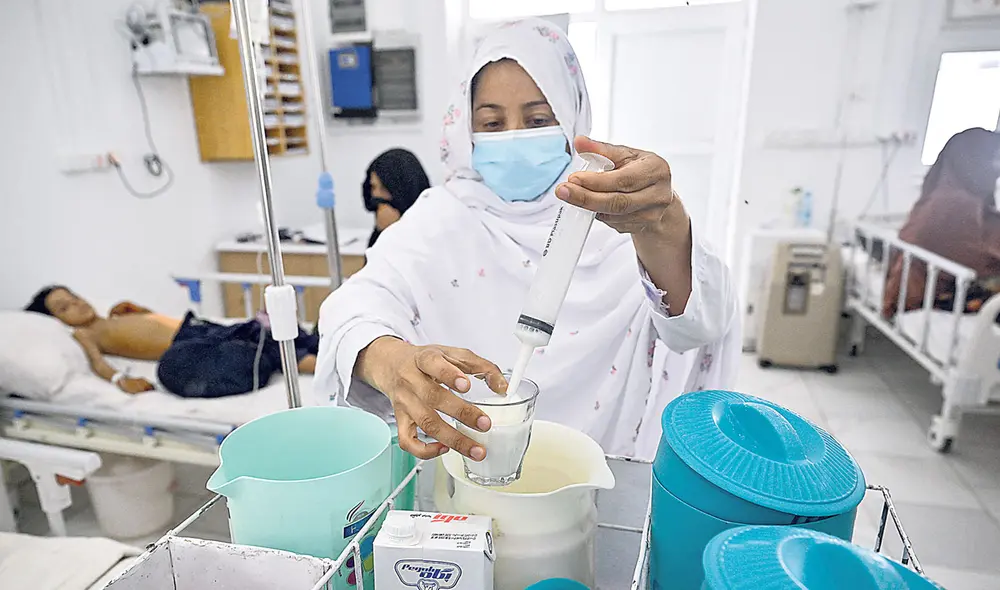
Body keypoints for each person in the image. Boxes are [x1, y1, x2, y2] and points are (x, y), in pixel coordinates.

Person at [316, 19, 739, 461]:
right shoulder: (439, 220)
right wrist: (391, 360)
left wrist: (665, 224)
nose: (514, 135)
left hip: (596, 476)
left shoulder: (615, 218)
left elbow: (699, 326)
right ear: (467, 130)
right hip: (462, 469)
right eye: (492, 122)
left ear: (571, 118)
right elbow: (352, 310)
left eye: (537, 119)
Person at [24, 286, 319, 397]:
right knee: (266, 344)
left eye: (73, 297)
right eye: (64, 308)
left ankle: (318, 344)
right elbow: (98, 363)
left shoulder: (110, 317)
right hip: (190, 342)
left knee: (261, 331)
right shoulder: (84, 334)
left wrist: (140, 312)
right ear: (57, 320)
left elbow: (153, 325)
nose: (76, 305)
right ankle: (320, 364)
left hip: (195, 328)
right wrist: (119, 380)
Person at [883, 128, 1000, 317]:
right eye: (993, 159)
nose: (996, 168)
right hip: (936, 292)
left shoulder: (950, 192)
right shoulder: (955, 203)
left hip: (931, 283)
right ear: (974, 161)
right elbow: (972, 257)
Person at [363, 148, 431, 247]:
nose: (376, 194)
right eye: (373, 187)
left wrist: (394, 231)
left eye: (384, 188)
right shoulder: (381, 228)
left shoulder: (434, 230)